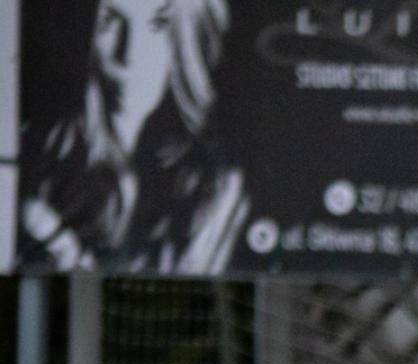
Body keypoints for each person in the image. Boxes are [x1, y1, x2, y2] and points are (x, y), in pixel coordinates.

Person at [20, 0, 248, 274]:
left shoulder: (220, 190)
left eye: (157, 25)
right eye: (109, 21)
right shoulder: (44, 150)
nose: (125, 55)